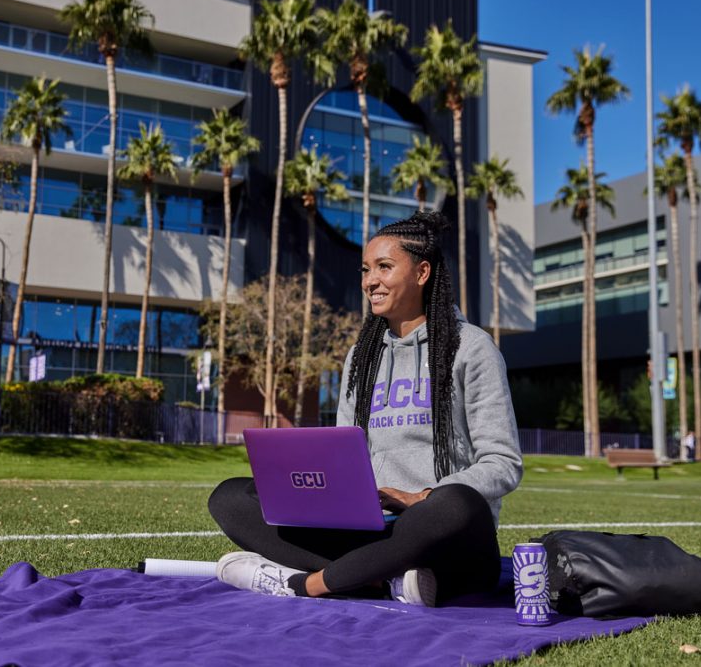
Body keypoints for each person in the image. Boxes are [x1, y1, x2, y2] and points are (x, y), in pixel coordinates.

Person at [208, 212, 523, 607]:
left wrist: (418, 497)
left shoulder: (473, 349)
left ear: (422, 272)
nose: (369, 280)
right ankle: (380, 581)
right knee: (230, 498)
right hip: (373, 533)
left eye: (384, 267)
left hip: (445, 540)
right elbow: (343, 456)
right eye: (365, 269)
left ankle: (307, 584)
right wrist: (331, 495)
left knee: (455, 502)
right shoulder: (362, 357)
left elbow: (503, 463)